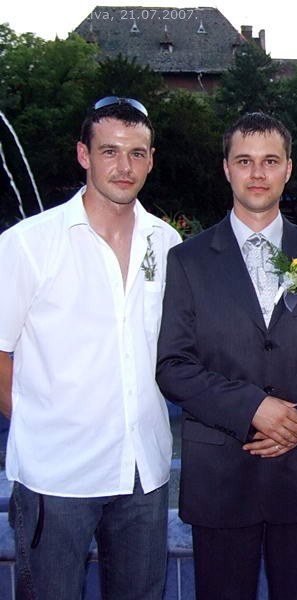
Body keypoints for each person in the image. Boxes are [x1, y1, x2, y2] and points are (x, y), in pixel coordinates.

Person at [155, 112, 297, 599]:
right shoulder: (187, 260)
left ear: (288, 168)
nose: (257, 173)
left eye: (270, 161)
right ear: (226, 168)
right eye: (244, 161)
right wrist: (253, 408)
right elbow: (173, 367)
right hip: (221, 480)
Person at [0, 96, 180, 599]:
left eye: (137, 153)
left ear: (151, 160)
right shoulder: (28, 244)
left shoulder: (166, 244)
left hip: (144, 472)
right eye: (109, 151)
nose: (124, 167)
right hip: (57, 477)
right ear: (84, 154)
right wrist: (38, 422)